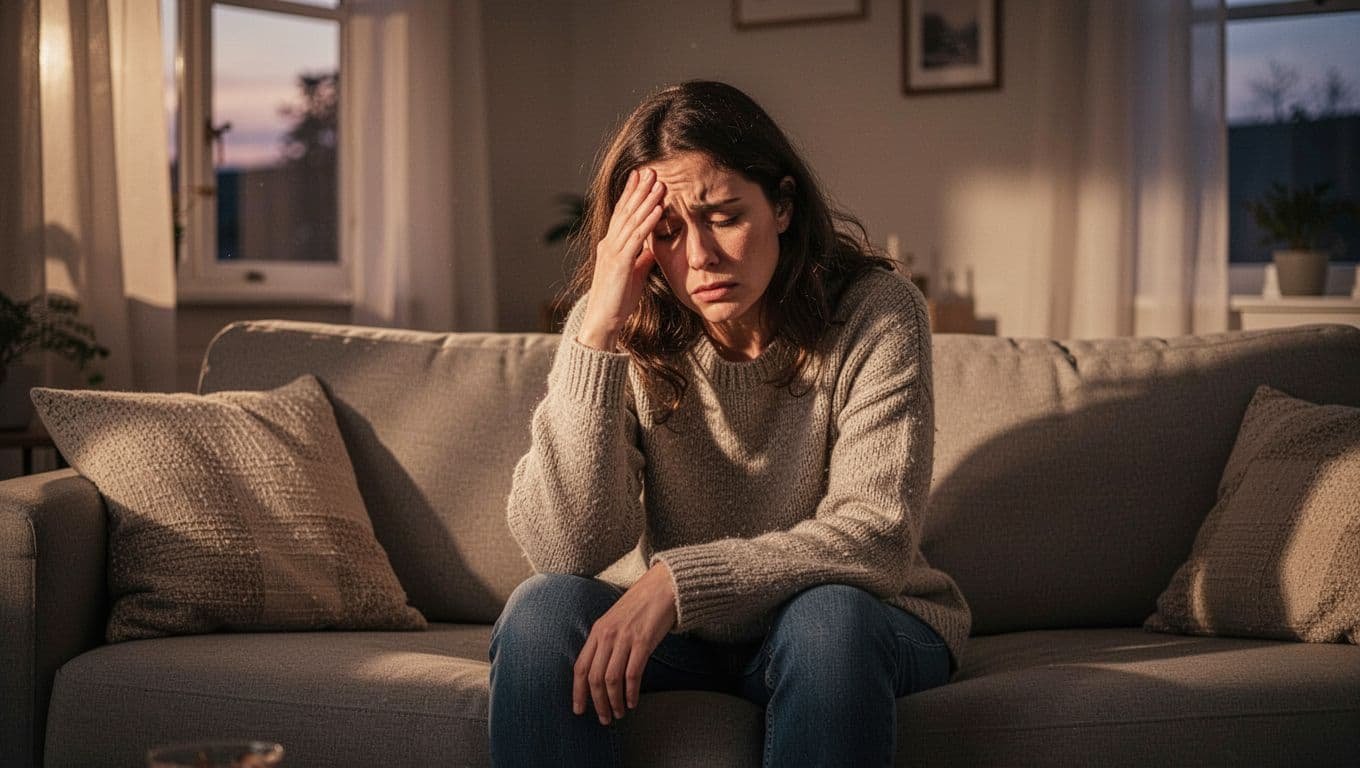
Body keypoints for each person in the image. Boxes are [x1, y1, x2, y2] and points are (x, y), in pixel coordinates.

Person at [488, 80, 971, 767]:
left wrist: (680, 583)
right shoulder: (618, 328)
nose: (700, 256)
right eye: (666, 232)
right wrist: (597, 330)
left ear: (781, 204)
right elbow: (569, 549)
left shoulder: (876, 310)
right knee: (541, 612)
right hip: (687, 645)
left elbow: (877, 535)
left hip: (850, 622)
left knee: (826, 620)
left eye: (722, 215)